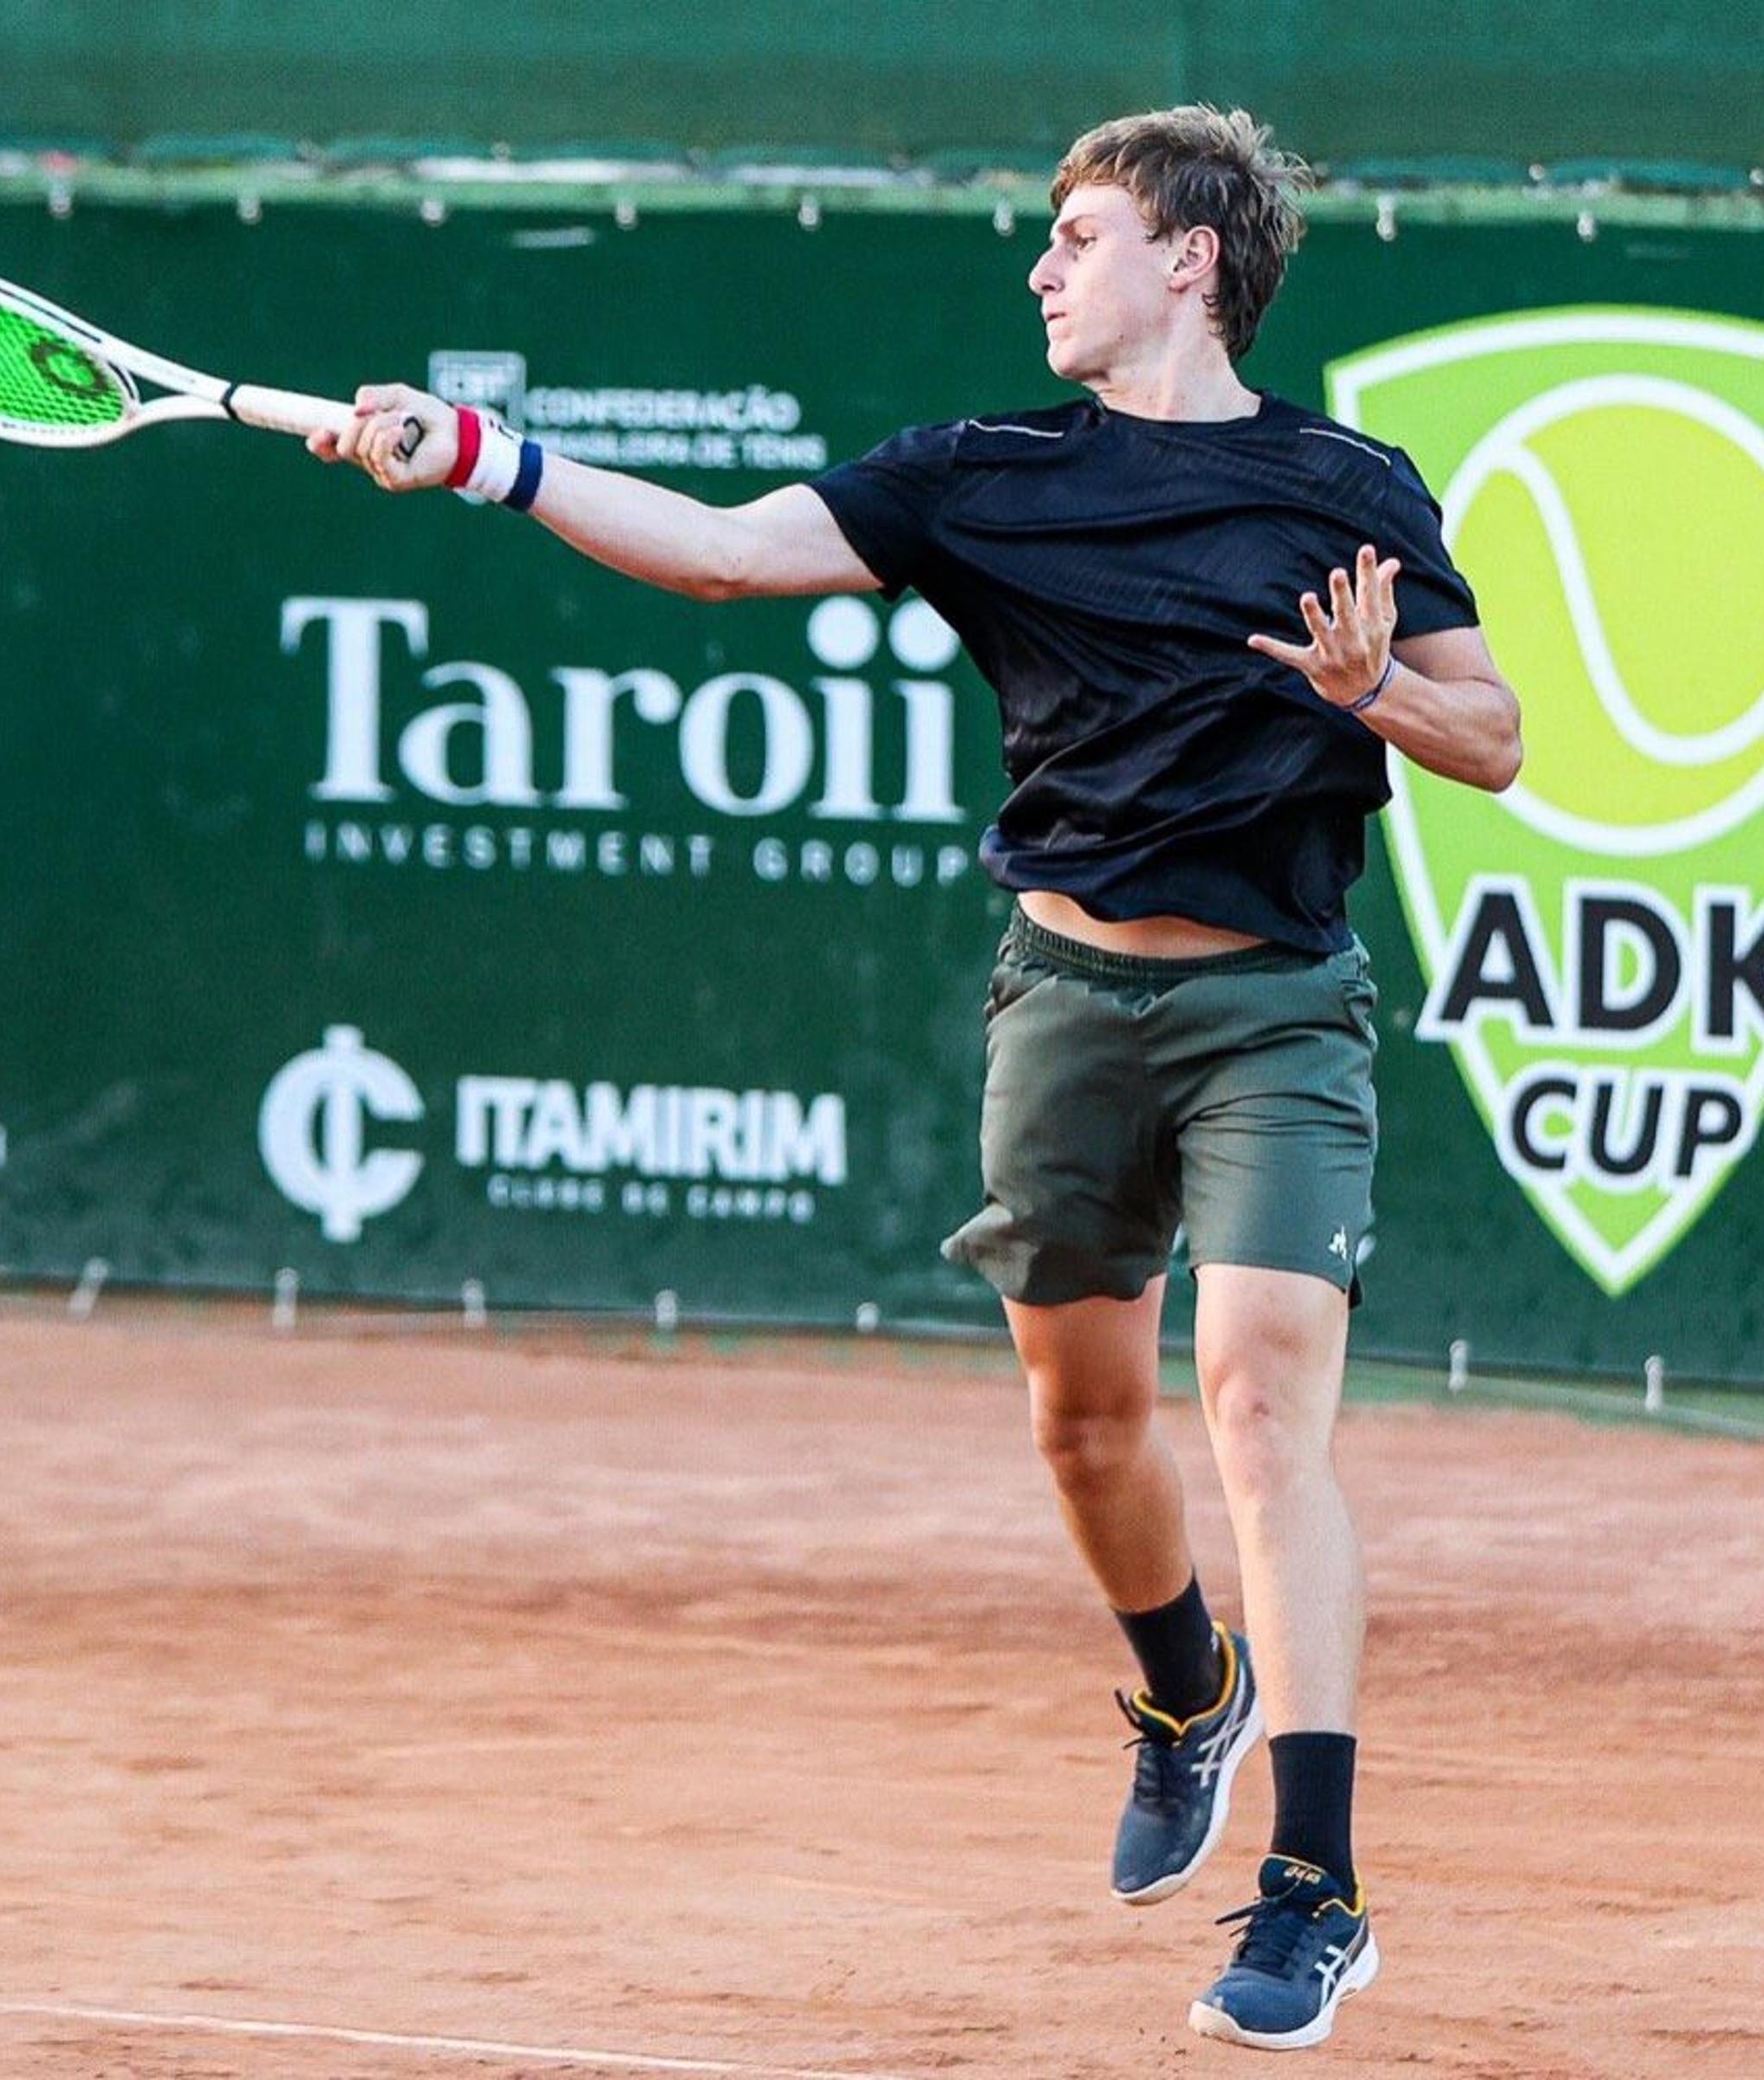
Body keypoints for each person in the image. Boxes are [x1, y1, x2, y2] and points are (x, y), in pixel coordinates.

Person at [310, 103, 1521, 2053]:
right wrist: (480, 458)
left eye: (1082, 235)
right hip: (1062, 1005)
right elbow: (715, 555)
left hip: (1276, 1011)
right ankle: (1181, 1693)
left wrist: (1371, 691)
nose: (1044, 268)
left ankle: (1316, 1891)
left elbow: (1497, 737)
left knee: (1262, 1408)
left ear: (1193, 261)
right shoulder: (978, 477)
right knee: (1082, 1430)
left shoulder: (1344, 486)